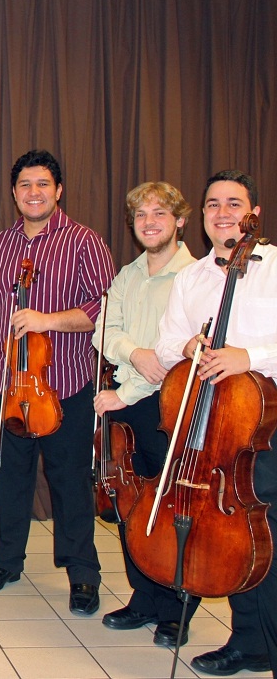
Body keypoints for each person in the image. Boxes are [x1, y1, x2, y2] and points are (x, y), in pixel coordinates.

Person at [0, 149, 115, 615]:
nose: (34, 193)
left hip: (65, 385)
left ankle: (82, 573)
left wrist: (46, 319)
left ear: (59, 190)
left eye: (43, 184)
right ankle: (5, 561)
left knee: (70, 482)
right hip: (4, 384)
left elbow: (105, 310)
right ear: (14, 193)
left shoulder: (84, 242)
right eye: (25, 185)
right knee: (8, 477)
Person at [154, 170, 276, 676]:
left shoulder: (274, 268)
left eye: (233, 203)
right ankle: (249, 641)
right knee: (238, 535)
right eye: (212, 205)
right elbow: (166, 346)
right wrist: (188, 346)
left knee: (268, 536)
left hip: (266, 421)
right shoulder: (192, 278)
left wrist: (250, 356)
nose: (222, 213)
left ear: (254, 214)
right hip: (216, 429)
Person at [92, 181, 197, 647]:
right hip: (130, 399)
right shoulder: (128, 274)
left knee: (172, 506)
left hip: (170, 404)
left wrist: (128, 388)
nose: (149, 222)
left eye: (159, 213)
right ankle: (144, 597)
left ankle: (177, 608)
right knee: (131, 501)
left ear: (180, 220)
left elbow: (176, 354)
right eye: (140, 215)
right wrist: (133, 353)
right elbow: (104, 329)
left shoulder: (195, 276)